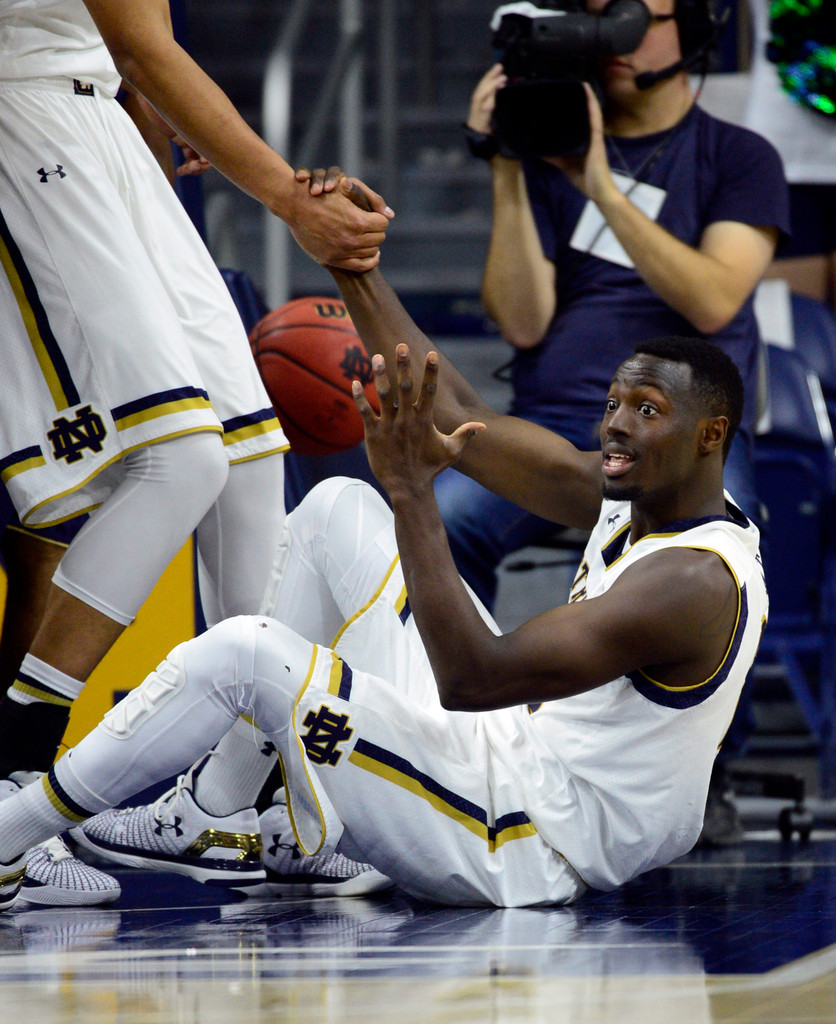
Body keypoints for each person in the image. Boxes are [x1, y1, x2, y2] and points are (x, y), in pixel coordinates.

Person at [0, 234, 768, 909]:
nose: (616, 424)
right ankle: (214, 813)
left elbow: (474, 679)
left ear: (712, 435)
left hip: (525, 839)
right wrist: (354, 269)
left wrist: (411, 491)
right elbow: (457, 406)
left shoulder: (692, 582)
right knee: (337, 507)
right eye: (613, 402)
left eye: (646, 409)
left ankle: (11, 833)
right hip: (515, 759)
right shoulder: (639, 492)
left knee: (249, 658)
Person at [0, 0, 392, 904]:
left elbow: (129, 47)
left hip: (103, 120)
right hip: (29, 121)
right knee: (178, 460)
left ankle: (231, 802)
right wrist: (292, 198)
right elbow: (145, 39)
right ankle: (12, 784)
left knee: (250, 458)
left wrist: (146, 119)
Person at [437, 0, 788, 613]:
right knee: (442, 518)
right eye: (600, 19)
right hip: (553, 428)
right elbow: (523, 323)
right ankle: (460, 702)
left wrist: (600, 187)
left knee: (713, 561)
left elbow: (712, 302)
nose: (614, 40)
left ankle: (710, 712)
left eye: (636, 18)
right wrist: (507, 165)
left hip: (687, 442)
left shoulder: (740, 156)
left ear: (693, 29)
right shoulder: (545, 161)